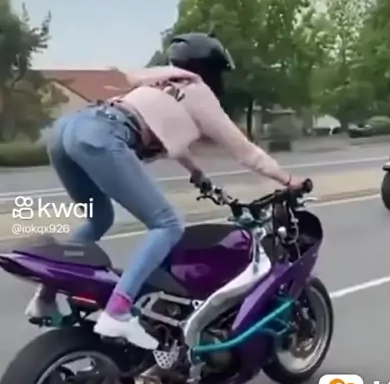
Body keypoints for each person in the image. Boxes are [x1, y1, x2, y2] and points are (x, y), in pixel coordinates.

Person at [25, 32, 306, 350]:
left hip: (67, 131)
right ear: (208, 69)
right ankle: (118, 311)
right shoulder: (198, 91)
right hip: (102, 135)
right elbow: (245, 151)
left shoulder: (158, 83)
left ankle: (44, 298)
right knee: (167, 224)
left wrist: (196, 173)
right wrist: (288, 179)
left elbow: (166, 134)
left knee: (99, 218)